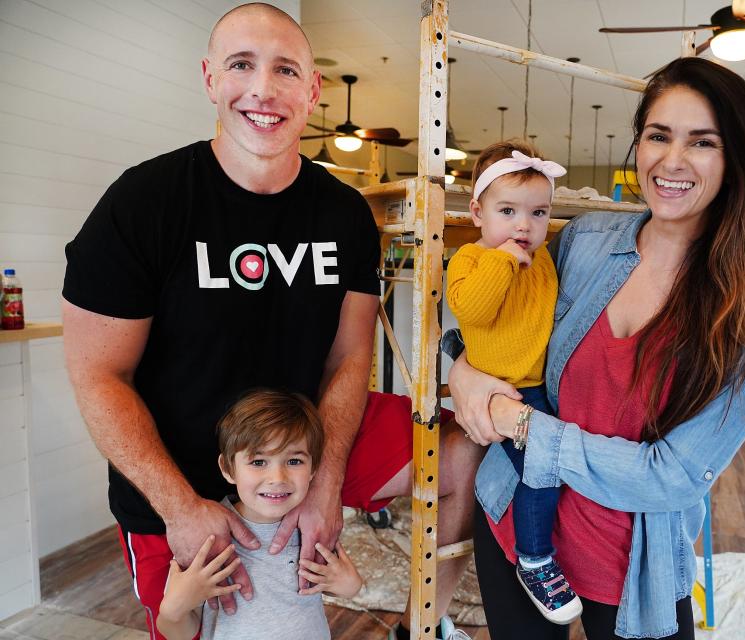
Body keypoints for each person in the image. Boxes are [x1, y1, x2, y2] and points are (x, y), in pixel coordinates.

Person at [61, 4, 481, 639]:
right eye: (240, 65)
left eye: (285, 69)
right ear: (209, 78)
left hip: (304, 446)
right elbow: (98, 376)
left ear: (312, 90)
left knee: (466, 455)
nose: (262, 89)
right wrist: (178, 507)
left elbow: (349, 358)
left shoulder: (343, 216)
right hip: (184, 471)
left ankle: (426, 627)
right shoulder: (141, 204)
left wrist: (327, 479)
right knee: (188, 626)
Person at [449, 56, 745, 640]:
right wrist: (463, 371)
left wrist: (522, 426)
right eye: (658, 135)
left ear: (737, 158)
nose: (672, 160)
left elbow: (674, 475)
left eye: (702, 142)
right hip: (516, 521)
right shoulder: (584, 242)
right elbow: (504, 330)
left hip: (631, 569)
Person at [445, 140, 582, 624]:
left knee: (556, 470)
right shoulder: (470, 259)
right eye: (508, 211)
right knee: (541, 467)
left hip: (539, 382)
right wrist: (503, 259)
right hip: (503, 387)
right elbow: (476, 309)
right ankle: (534, 558)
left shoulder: (542, 257)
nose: (524, 226)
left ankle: (546, 547)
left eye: (538, 213)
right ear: (478, 213)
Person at [157, 389, 362, 639]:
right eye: (258, 462)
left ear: (313, 468)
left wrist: (350, 586)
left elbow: (340, 587)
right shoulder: (208, 537)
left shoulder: (312, 527)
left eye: (294, 461)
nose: (277, 478)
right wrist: (173, 610)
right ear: (228, 468)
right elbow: (179, 633)